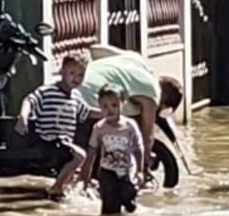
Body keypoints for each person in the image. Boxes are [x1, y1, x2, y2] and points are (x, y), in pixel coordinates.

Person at [76, 47, 183, 178]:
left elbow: (95, 49)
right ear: (164, 100)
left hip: (75, 84)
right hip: (91, 99)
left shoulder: (134, 59)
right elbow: (146, 138)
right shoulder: (154, 91)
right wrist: (144, 168)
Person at [18, 54, 95, 200]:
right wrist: (23, 117)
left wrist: (109, 114)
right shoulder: (48, 91)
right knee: (80, 156)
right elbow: (30, 100)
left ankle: (60, 192)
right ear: (62, 72)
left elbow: (88, 112)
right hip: (48, 140)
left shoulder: (76, 97)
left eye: (81, 75)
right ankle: (56, 188)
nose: (76, 78)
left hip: (65, 142)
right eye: (71, 73)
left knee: (71, 172)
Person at [82, 86, 145, 216]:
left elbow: (138, 149)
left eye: (114, 105)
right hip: (107, 171)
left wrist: (140, 171)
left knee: (130, 205)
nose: (109, 110)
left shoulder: (130, 126)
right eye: (104, 106)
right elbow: (92, 151)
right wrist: (86, 174)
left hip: (127, 170)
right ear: (99, 106)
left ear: (123, 104)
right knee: (109, 208)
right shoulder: (99, 127)